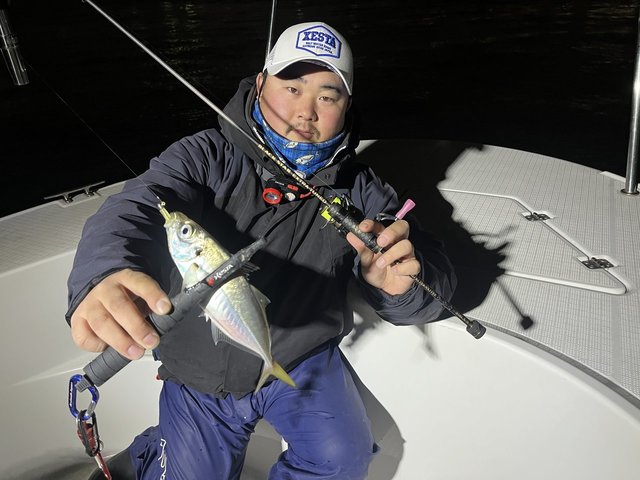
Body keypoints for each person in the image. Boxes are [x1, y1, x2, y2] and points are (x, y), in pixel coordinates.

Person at [68, 21, 456, 479]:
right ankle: (154, 450)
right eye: (292, 88)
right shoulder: (205, 156)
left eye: (327, 97)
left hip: (301, 356)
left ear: (347, 106)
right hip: (199, 368)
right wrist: (105, 270)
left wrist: (402, 284)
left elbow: (432, 275)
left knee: (342, 460)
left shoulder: (362, 190)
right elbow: (136, 205)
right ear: (260, 83)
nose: (305, 112)